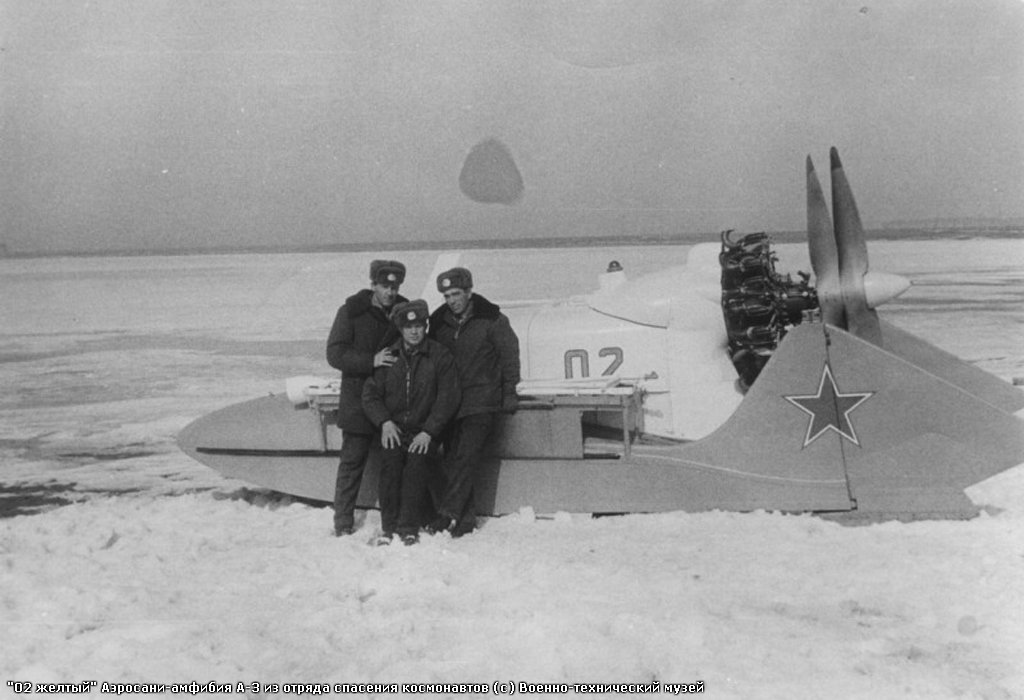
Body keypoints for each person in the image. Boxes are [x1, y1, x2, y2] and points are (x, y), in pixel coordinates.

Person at [427, 267, 521, 537]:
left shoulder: (492, 319)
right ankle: (466, 520)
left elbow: (509, 358)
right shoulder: (439, 322)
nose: (452, 301)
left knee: (466, 458)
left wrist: (509, 393)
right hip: (451, 403)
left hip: (482, 402)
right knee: (452, 459)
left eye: (456, 294)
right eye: (447, 296)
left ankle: (447, 513)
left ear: (469, 292)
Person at [362, 300, 460, 545]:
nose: (414, 332)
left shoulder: (439, 355)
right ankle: (389, 527)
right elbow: (370, 395)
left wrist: (429, 431)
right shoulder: (390, 356)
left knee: (416, 467)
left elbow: (448, 397)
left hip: (423, 430)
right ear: (400, 329)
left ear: (425, 327)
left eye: (418, 326)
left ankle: (408, 528)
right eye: (408, 327)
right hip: (394, 428)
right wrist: (384, 422)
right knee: (390, 467)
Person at [326, 259, 407, 537]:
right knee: (351, 464)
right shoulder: (351, 312)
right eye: (385, 286)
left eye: (395, 287)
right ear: (373, 285)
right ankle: (342, 523)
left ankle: (393, 523)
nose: (390, 292)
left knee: (393, 466)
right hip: (358, 401)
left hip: (391, 403)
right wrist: (370, 360)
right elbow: (335, 353)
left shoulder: (403, 311)